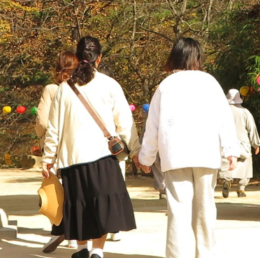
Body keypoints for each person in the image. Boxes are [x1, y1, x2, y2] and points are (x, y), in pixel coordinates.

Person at [136, 37, 241, 258]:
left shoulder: (165, 85)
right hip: (206, 154)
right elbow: (224, 119)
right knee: (205, 210)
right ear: (198, 57)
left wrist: (146, 158)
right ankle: (206, 254)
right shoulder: (210, 82)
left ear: (175, 56)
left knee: (178, 211)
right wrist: (231, 149)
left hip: (175, 155)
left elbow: (152, 127)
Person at [42, 37, 136, 258]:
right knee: (102, 205)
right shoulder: (110, 84)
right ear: (99, 58)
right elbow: (125, 122)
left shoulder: (64, 89)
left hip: (72, 158)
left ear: (77, 57)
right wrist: (137, 150)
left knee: (79, 205)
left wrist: (48, 158)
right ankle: (97, 251)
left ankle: (82, 249)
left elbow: (53, 128)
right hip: (103, 156)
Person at [35, 51, 78, 254]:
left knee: (55, 190)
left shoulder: (51, 89)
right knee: (75, 188)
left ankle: (59, 227)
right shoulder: (80, 89)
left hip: (54, 147)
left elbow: (42, 121)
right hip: (76, 146)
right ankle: (77, 234)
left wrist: (42, 136)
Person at [219, 89, 260, 198]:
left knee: (227, 162)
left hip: (226, 142)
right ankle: (241, 189)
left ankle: (226, 180)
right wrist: (256, 144)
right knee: (245, 163)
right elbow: (252, 128)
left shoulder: (221, 112)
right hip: (243, 143)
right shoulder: (244, 112)